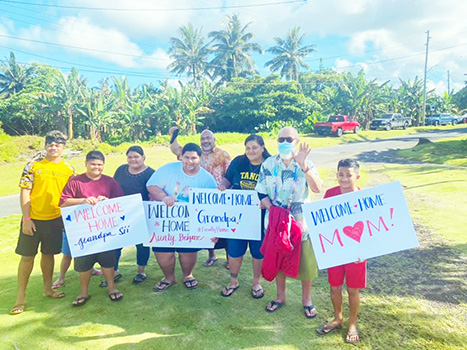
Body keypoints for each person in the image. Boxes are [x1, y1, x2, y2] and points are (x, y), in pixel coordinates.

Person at [255, 126, 323, 318]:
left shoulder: (306, 163)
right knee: (278, 260)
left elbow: (318, 188)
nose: (285, 143)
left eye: (289, 139)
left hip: (300, 225)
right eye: (281, 139)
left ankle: (307, 300)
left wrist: (304, 166)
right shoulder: (268, 164)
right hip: (275, 223)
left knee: (305, 264)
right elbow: (260, 191)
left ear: (297, 141)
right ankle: (280, 296)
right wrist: (272, 210)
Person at [11, 131, 75, 315]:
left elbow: (72, 194)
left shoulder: (69, 170)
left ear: (63, 148)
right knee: (27, 257)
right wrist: (26, 218)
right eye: (50, 144)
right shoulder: (33, 166)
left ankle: (48, 288)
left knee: (48, 255)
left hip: (55, 220)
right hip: (33, 219)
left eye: (57, 144)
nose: (53, 147)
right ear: (46, 146)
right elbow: (25, 192)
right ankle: (20, 296)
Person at [147, 143, 217, 292]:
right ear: (181, 157)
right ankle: (169, 277)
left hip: (190, 222)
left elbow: (212, 206)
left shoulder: (207, 179)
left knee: (188, 253)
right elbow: (151, 185)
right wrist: (163, 197)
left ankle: (188, 275)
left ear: (200, 159)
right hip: (165, 221)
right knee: (163, 254)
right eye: (186, 157)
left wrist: (212, 230)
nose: (189, 161)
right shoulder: (168, 169)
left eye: (193, 158)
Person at [60, 151, 124, 306]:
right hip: (82, 232)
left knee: (108, 261)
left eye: (100, 165)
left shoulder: (109, 182)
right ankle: (84, 292)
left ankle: (112, 288)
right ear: (86, 164)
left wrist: (107, 201)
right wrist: (82, 201)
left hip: (104, 231)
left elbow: (121, 202)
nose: (97, 167)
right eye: (93, 164)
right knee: (84, 263)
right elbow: (63, 202)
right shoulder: (75, 181)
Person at [316, 159, 365, 344]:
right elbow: (322, 222)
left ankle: (352, 323)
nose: (344, 179)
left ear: (357, 177)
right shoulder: (330, 194)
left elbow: (369, 229)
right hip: (334, 250)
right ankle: (338, 318)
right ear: (337, 175)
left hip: (357, 253)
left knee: (353, 289)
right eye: (341, 174)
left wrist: (365, 251)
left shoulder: (364, 197)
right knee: (335, 287)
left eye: (349, 175)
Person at [169, 127, 230, 268]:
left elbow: (229, 174)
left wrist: (225, 189)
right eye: (203, 138)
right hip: (195, 196)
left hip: (216, 195)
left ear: (214, 140)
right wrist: (173, 136)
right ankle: (211, 255)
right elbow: (175, 149)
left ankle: (229, 258)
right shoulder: (194, 152)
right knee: (205, 226)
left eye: (208, 138)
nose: (206, 141)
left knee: (222, 227)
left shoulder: (223, 155)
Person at [218, 135, 270, 298]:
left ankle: (256, 282)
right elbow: (228, 180)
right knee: (234, 249)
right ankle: (233, 281)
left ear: (262, 147)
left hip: (260, 216)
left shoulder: (270, 163)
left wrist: (267, 201)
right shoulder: (238, 162)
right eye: (248, 147)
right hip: (238, 215)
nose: (251, 151)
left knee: (258, 251)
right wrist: (223, 187)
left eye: (254, 147)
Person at [106, 146, 155, 285]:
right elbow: (113, 187)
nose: (133, 160)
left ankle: (141, 271)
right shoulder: (121, 169)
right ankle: (114, 271)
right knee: (116, 243)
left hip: (141, 214)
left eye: (136, 157)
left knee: (141, 244)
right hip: (120, 213)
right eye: (130, 157)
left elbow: (154, 193)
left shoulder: (150, 173)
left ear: (143, 157)